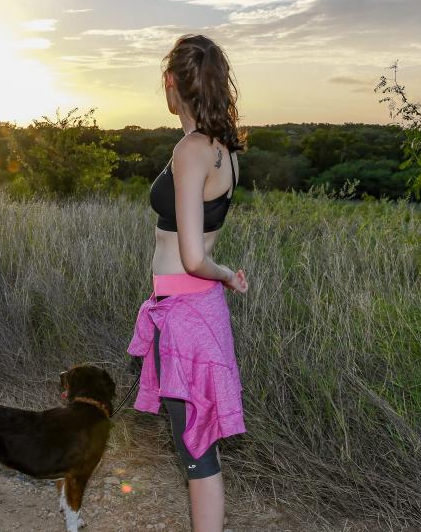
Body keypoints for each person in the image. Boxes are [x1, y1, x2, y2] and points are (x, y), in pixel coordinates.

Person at [126, 34, 249, 532]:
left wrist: (226, 276)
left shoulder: (191, 150)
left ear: (171, 82)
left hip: (188, 314)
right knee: (199, 447)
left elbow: (195, 258)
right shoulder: (224, 150)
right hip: (189, 310)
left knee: (196, 454)